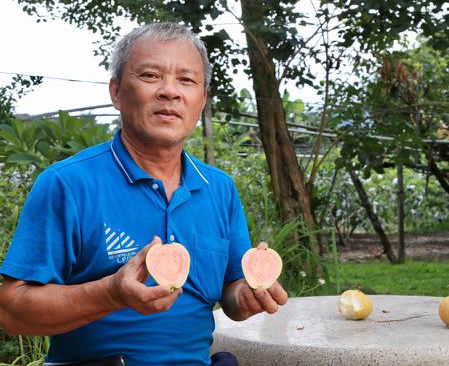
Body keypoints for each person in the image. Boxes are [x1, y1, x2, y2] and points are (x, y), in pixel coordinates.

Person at [0, 22, 288, 365]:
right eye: (151, 75)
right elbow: (13, 313)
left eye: (186, 80)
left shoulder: (219, 188)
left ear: (202, 100)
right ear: (117, 91)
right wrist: (111, 293)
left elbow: (232, 293)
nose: (170, 91)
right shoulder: (67, 184)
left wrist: (248, 295)